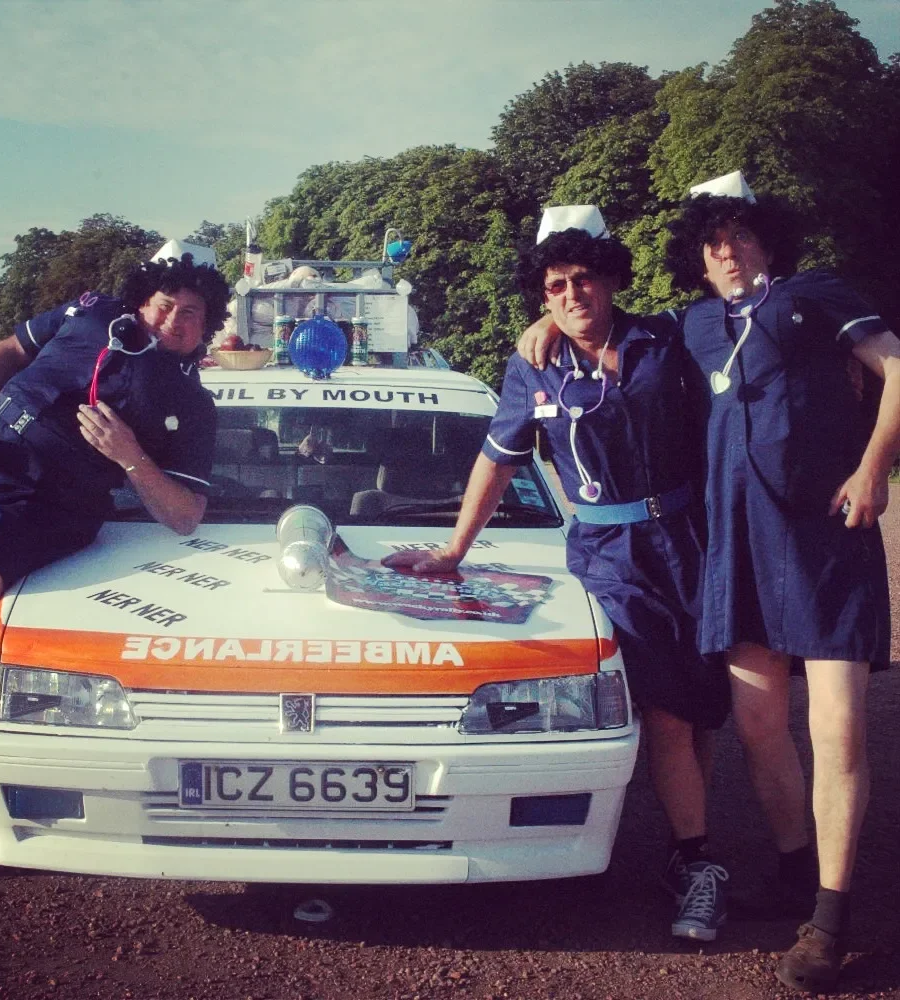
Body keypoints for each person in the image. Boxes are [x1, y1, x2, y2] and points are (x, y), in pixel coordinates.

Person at [384, 206, 732, 942]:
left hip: (693, 541)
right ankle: (700, 862)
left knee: (700, 706)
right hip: (610, 557)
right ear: (541, 296)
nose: (572, 296)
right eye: (555, 287)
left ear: (609, 279)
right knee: (666, 712)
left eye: (583, 280)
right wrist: (452, 551)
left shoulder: (664, 337)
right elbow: (497, 459)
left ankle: (687, 841)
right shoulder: (533, 364)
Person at [0, 250, 231, 851]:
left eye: (191, 314)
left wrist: (130, 456)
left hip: (51, 507)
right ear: (141, 300)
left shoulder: (193, 406)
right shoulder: (89, 312)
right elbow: (5, 352)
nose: (173, 322)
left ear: (205, 328)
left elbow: (185, 516)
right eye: (165, 305)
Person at [663, 171, 900, 994]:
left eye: (739, 234)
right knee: (759, 725)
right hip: (738, 550)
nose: (726, 250)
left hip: (827, 542)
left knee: (838, 734)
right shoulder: (693, 323)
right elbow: (608, 347)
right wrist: (541, 331)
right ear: (698, 259)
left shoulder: (815, 294)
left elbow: (898, 369)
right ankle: (796, 874)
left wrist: (873, 470)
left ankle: (830, 925)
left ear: (767, 239)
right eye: (711, 241)